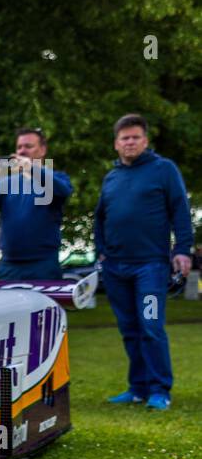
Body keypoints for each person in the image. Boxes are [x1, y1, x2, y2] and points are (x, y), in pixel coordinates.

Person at [95, 113, 194, 411]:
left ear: (145, 141)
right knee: (129, 328)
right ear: (116, 144)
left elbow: (180, 209)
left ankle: (159, 389)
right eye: (124, 138)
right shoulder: (111, 177)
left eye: (135, 137)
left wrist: (183, 249)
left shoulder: (163, 169)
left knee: (150, 325)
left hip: (150, 266)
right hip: (115, 267)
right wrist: (101, 249)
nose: (130, 142)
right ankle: (137, 388)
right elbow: (100, 217)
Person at [0, 128, 73, 280]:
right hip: (10, 265)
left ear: (42, 150)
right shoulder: (7, 182)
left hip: (43, 264)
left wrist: (32, 169)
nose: (22, 151)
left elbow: (63, 191)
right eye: (19, 147)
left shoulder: (56, 177)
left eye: (28, 146)